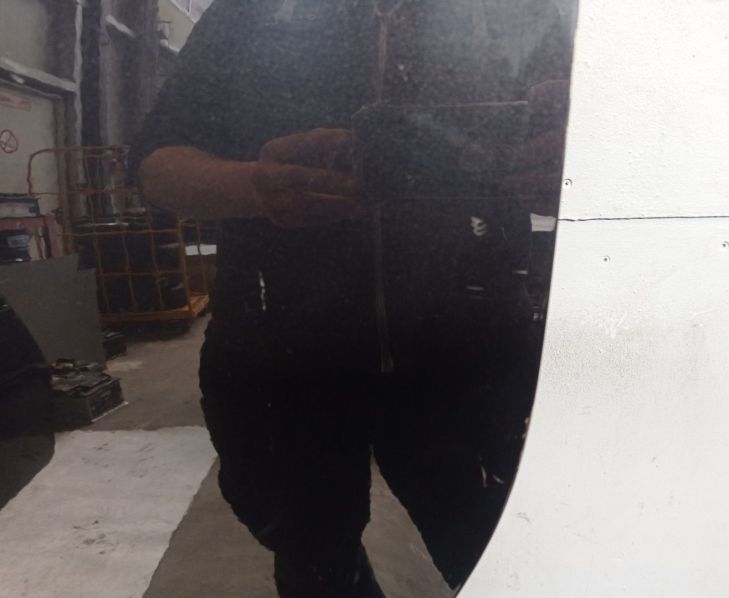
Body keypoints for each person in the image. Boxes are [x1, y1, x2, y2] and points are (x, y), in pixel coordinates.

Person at [130, 0, 573, 596]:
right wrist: (255, 187)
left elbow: (613, 144)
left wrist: (588, 164)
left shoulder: (521, 11)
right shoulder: (249, 11)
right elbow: (154, 164)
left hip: (465, 357)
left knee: (502, 554)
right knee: (312, 557)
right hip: (284, 360)